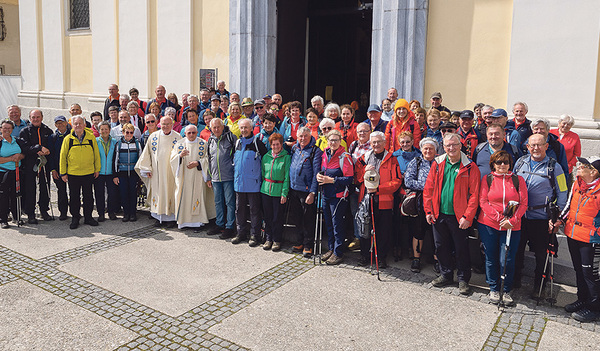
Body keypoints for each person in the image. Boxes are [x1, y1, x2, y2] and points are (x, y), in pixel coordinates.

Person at [423, 133, 481, 295]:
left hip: (459, 217)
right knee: (441, 247)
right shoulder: (438, 163)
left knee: (461, 248)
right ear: (444, 147)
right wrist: (428, 210)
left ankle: (463, 279)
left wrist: (468, 216)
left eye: (454, 145)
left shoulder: (470, 166)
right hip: (438, 214)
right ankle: (446, 274)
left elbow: (474, 195)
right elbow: (429, 189)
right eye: (448, 145)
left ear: (460, 145)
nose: (451, 148)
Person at [513, 133, 568, 296]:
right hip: (520, 217)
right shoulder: (520, 162)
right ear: (527, 147)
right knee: (517, 251)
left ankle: (539, 286)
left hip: (542, 218)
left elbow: (563, 191)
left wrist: (558, 217)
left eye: (539, 145)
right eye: (532, 145)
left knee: (541, 255)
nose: (535, 148)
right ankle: (515, 280)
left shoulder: (555, 167)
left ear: (546, 146)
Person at [478, 150, 528, 306]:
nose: (502, 165)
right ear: (493, 164)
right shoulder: (488, 179)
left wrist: (512, 220)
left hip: (512, 226)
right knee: (491, 258)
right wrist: (499, 219)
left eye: (505, 162)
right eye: (499, 162)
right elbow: (483, 202)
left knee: (507, 259)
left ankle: (506, 289)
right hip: (489, 224)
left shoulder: (518, 180)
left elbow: (524, 203)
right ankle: (493, 288)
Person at [555, 157, 600, 322]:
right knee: (579, 270)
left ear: (594, 171)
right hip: (573, 234)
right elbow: (568, 205)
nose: (579, 167)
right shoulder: (577, 184)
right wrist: (559, 219)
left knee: (590, 273)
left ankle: (595, 307)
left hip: (591, 239)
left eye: (584, 165)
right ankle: (583, 299)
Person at [355, 131, 402, 268]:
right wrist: (364, 171)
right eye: (374, 142)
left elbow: (397, 181)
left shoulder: (392, 159)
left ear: (384, 142)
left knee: (383, 231)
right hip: (366, 199)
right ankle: (364, 255)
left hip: (384, 200)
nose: (376, 144)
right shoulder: (364, 158)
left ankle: (381, 257)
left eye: (379, 142)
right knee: (364, 228)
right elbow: (356, 178)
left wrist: (379, 189)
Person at [135, 115, 181, 227]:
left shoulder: (178, 137)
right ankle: (158, 218)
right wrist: (147, 169)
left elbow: (181, 156)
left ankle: (170, 219)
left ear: (172, 124)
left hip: (171, 173)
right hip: (156, 173)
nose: (165, 126)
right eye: (163, 124)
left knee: (170, 193)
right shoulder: (153, 137)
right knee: (158, 193)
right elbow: (147, 154)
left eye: (168, 124)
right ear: (159, 124)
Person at [316, 129, 354, 265]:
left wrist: (331, 180)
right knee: (329, 224)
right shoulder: (325, 154)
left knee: (337, 224)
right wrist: (319, 176)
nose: (333, 142)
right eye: (331, 140)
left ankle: (338, 252)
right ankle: (331, 249)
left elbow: (349, 178)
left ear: (340, 141)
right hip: (326, 194)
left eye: (336, 140)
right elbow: (323, 170)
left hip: (338, 195)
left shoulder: (344, 156)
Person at [169, 125, 215, 229]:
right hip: (183, 178)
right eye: (189, 133)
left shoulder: (203, 144)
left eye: (193, 132)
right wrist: (180, 156)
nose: (191, 135)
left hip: (198, 176)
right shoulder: (179, 144)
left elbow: (208, 159)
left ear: (197, 133)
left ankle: (198, 222)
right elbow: (172, 160)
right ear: (185, 134)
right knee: (184, 198)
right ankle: (184, 222)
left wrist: (198, 163)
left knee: (197, 197)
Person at [59, 116, 101, 229]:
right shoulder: (68, 139)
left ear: (84, 125)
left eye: (80, 123)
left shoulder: (91, 137)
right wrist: (63, 173)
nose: (78, 126)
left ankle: (88, 217)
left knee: (88, 196)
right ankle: (75, 218)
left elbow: (96, 154)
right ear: (72, 125)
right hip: (73, 173)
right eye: (75, 124)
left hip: (88, 172)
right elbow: (62, 157)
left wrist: (97, 169)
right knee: (74, 197)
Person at [404, 137, 439, 273]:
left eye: (431, 148)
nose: (428, 151)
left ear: (436, 150)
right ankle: (416, 258)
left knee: (437, 232)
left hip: (437, 202)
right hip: (420, 201)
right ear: (422, 150)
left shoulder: (440, 162)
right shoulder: (416, 162)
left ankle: (437, 259)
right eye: (425, 148)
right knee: (418, 230)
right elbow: (408, 181)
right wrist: (428, 187)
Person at [232, 119, 268, 246]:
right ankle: (240, 233)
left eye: (246, 128)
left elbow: (266, 162)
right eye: (241, 128)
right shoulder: (237, 143)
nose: (243, 130)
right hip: (239, 184)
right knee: (239, 210)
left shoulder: (257, 143)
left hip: (253, 184)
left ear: (251, 128)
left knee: (254, 211)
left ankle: (254, 235)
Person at [288, 126, 323, 257]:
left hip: (307, 190)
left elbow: (316, 173)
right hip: (294, 188)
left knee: (308, 219)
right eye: (301, 136)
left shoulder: (315, 151)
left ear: (310, 137)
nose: (303, 139)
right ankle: (299, 241)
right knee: (296, 217)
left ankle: (308, 245)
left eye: (305, 136)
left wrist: (313, 192)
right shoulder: (294, 148)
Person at [19, 109, 54, 223]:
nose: (35, 119)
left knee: (45, 187)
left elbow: (51, 146)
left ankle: (44, 210)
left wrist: (47, 151)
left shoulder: (47, 130)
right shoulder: (25, 131)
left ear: (42, 117)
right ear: (30, 118)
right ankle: (30, 212)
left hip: (44, 164)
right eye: (33, 117)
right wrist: (38, 148)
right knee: (30, 189)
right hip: (30, 165)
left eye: (37, 117)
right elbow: (24, 148)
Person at [206, 118, 238, 238]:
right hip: (215, 177)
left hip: (228, 176)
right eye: (214, 127)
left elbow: (236, 156)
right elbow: (209, 159)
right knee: (218, 202)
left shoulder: (231, 137)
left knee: (230, 202)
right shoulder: (210, 140)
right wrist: (209, 176)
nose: (216, 129)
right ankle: (219, 224)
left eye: (218, 127)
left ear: (222, 126)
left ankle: (229, 226)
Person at [260, 133, 291, 252]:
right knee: (267, 216)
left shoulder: (286, 157)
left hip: (278, 190)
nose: (275, 146)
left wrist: (284, 193)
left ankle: (277, 240)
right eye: (273, 144)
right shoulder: (266, 157)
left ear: (281, 144)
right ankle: (268, 238)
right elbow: (263, 173)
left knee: (277, 217)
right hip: (266, 190)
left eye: (278, 144)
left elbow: (287, 177)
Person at [113, 123, 143, 222]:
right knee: (124, 193)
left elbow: (140, 159)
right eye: (127, 132)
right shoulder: (119, 144)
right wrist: (115, 175)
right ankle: (126, 213)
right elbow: (115, 160)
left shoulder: (137, 144)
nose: (129, 134)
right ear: (123, 132)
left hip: (133, 174)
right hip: (122, 173)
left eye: (131, 132)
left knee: (133, 193)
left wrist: (140, 174)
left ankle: (133, 213)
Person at [0, 120, 26, 228]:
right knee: (3, 196)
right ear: (1, 129)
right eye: (4, 128)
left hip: (16, 172)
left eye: (9, 128)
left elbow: (24, 153)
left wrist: (20, 156)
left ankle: (17, 217)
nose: (6, 130)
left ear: (12, 129)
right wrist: (11, 158)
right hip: (3, 173)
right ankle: (3, 219)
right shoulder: (0, 142)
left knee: (16, 195)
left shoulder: (17, 140)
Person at [530, 118, 570, 182]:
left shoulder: (557, 147)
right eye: (536, 129)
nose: (539, 131)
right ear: (532, 131)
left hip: (550, 189)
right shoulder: (526, 146)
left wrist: (562, 190)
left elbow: (563, 171)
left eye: (542, 129)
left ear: (548, 130)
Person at [47, 116, 71, 220]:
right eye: (58, 123)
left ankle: (75, 211)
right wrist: (53, 170)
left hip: (72, 168)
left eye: (62, 123)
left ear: (66, 123)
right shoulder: (52, 137)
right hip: (58, 168)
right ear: (55, 125)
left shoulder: (72, 135)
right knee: (61, 191)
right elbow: (50, 155)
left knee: (74, 191)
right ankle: (63, 212)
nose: (60, 125)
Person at [95, 121, 118, 222]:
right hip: (98, 172)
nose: (104, 131)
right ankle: (101, 213)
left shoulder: (115, 142)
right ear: (99, 130)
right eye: (102, 129)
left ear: (109, 130)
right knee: (99, 194)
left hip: (111, 172)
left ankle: (111, 212)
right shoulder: (95, 141)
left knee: (112, 193)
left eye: (106, 129)